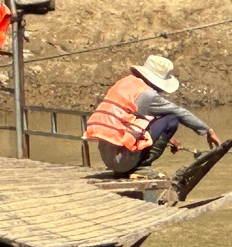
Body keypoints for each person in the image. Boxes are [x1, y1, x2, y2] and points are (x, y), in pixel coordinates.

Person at [85, 54, 219, 177]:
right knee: (171, 119)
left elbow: (133, 120)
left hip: (107, 157)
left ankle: (130, 164)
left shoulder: (125, 83)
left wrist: (169, 138)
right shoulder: (148, 95)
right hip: (122, 161)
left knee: (162, 120)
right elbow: (179, 112)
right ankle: (140, 166)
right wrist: (208, 130)